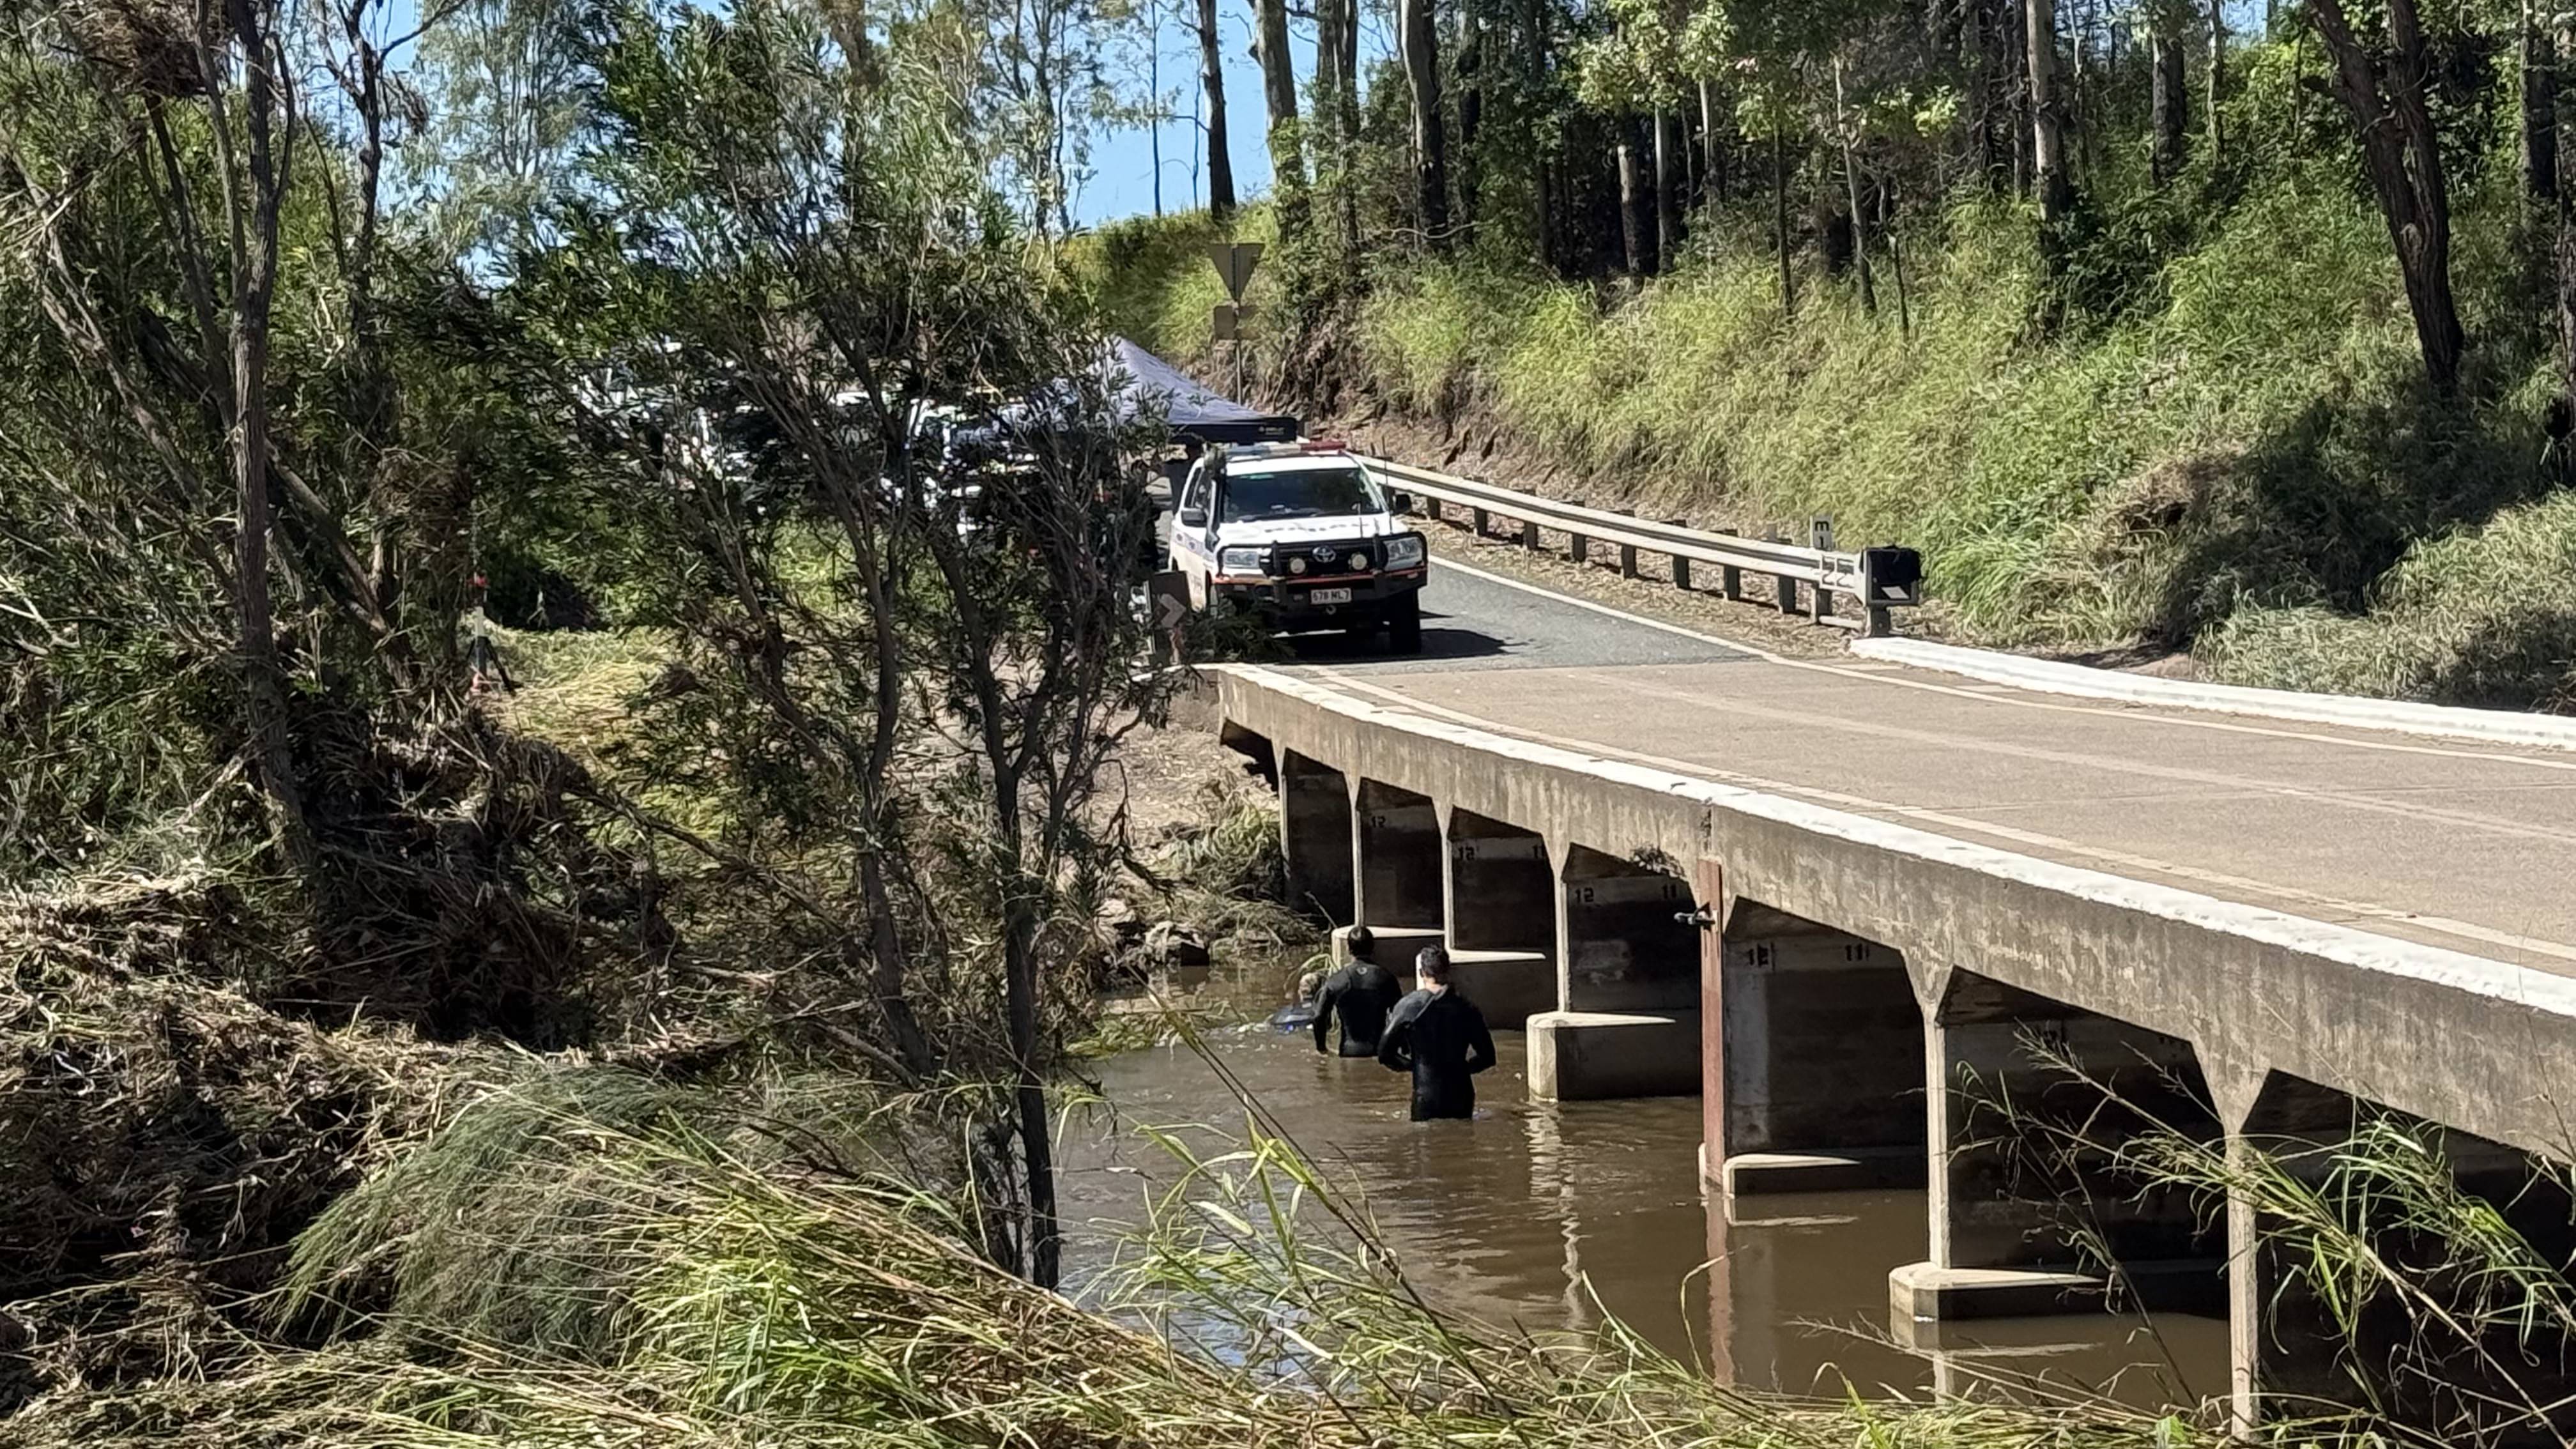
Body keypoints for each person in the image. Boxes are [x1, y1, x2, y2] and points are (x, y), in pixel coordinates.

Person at [1376, 946, 1496, 1121]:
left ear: (1421, 972)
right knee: (1463, 1142)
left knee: (1426, 1142)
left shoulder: (1407, 1006)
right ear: (1449, 970)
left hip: (1426, 1093)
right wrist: (1461, 1069)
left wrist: (1411, 1066)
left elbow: (1384, 1053)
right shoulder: (1467, 1008)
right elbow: (1488, 1057)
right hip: (1460, 1093)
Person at [1311, 926, 1402, 1058]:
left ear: (1349, 949)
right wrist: (1402, 1048)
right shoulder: (1386, 978)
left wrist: (1321, 1048)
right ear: (1372, 948)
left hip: (1349, 1052)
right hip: (1379, 1051)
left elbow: (1319, 1017)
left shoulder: (1337, 979)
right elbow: (1400, 1016)